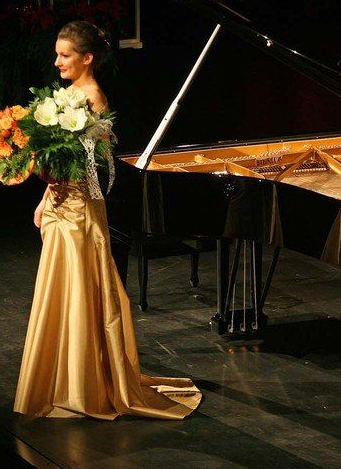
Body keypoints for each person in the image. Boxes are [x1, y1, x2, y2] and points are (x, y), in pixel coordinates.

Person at [13, 21, 202, 420]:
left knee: (82, 291)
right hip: (61, 205)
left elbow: (86, 168)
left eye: (65, 55)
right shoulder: (66, 96)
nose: (57, 62)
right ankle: (62, 378)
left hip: (80, 210)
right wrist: (44, 196)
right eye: (57, 54)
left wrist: (45, 173)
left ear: (87, 58)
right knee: (61, 289)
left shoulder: (94, 100)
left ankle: (85, 384)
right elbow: (62, 163)